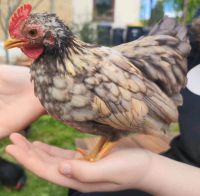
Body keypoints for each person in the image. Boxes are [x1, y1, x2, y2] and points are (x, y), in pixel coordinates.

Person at [0, 64, 199, 196]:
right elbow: (138, 77)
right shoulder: (193, 46)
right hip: (174, 159)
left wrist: (148, 172)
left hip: (180, 179)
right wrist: (49, 85)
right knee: (79, 189)